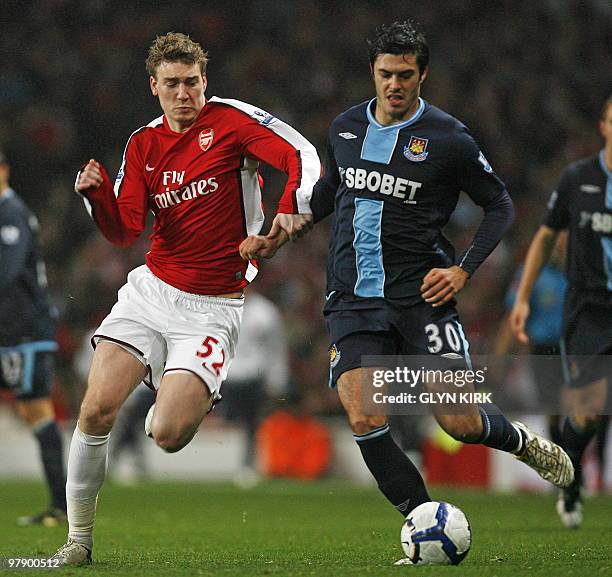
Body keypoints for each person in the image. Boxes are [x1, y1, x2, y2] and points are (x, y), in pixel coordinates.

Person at [241, 20, 574, 558]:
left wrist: (463, 269)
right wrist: (282, 231)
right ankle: (422, 523)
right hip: (353, 299)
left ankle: (519, 442)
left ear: (423, 76)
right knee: (364, 413)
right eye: (385, 74)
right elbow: (331, 190)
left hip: (423, 298)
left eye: (405, 75)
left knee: (460, 423)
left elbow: (501, 205)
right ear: (372, 73)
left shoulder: (448, 138)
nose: (394, 84)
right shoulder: (347, 127)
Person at [51, 32, 319, 566]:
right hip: (152, 292)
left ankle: (178, 389)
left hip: (214, 306)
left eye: (192, 82)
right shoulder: (142, 145)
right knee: (97, 407)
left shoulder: (233, 122)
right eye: (171, 84)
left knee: (166, 434)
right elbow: (125, 229)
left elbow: (300, 154)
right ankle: (78, 541)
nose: (183, 94)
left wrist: (290, 206)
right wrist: (97, 198)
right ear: (154, 87)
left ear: (205, 81)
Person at [510, 95, 612, 529]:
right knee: (587, 411)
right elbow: (545, 237)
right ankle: (569, 479)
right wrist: (523, 297)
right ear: (603, 125)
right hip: (588, 312)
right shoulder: (578, 178)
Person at [0, 151, 67, 526]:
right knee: (31, 410)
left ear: (5, 171)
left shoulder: (11, 214)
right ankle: (60, 503)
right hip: (8, 328)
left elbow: (6, 274)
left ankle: (62, 504)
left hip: (25, 330)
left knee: (36, 409)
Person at [495, 234, 568, 438]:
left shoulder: (584, 271)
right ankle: (561, 452)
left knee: (580, 407)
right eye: (557, 239)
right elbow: (513, 316)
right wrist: (499, 356)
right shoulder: (532, 272)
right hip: (545, 351)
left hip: (577, 348)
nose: (560, 245)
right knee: (553, 407)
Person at [222, 288, 289, 484]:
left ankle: (247, 464)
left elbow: (276, 349)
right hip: (226, 376)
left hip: (253, 377)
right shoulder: (222, 307)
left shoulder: (266, 312)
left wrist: (277, 380)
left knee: (252, 423)